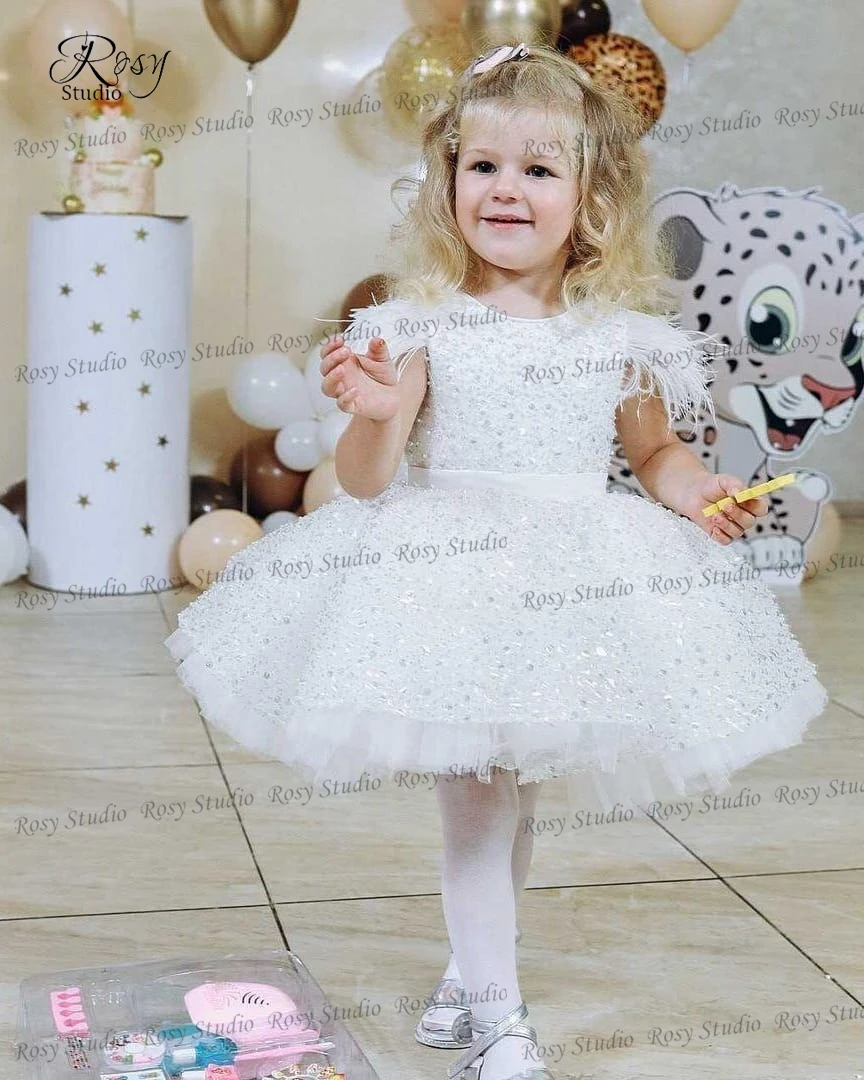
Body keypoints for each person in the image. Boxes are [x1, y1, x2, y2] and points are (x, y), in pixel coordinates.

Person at [165, 42, 828, 1080]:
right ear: (447, 183)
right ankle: (500, 1023)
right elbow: (372, 477)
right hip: (452, 575)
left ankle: (474, 975)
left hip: (571, 578)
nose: (506, 190)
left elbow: (651, 451)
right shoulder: (422, 324)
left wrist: (697, 491)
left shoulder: (617, 337)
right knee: (475, 795)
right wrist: (379, 414)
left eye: (538, 169)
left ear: (591, 197)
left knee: (516, 795)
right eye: (482, 167)